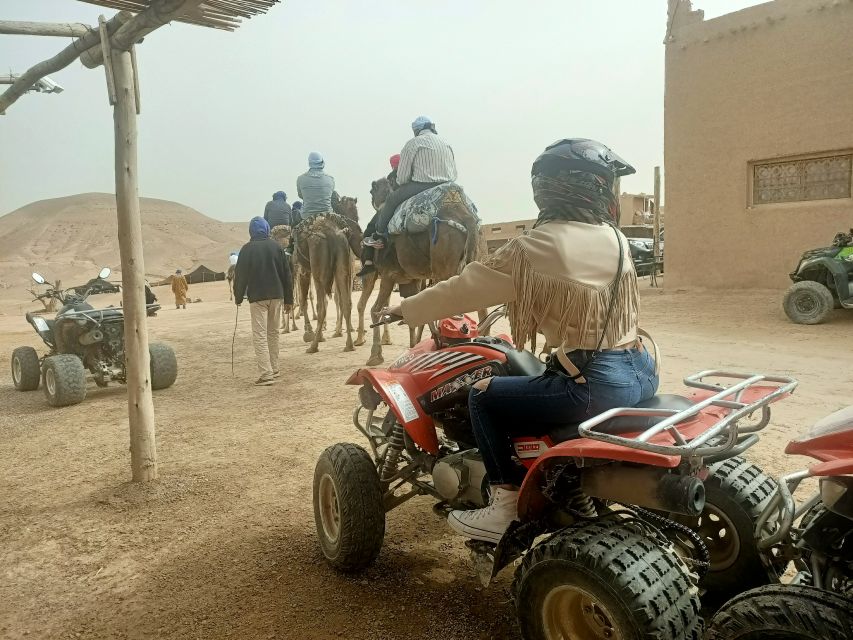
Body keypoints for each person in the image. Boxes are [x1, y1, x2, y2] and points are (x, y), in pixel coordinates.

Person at [383, 139, 656, 543]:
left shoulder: (536, 246)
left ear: (547, 188)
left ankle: (504, 504)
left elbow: (465, 286)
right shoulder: (613, 237)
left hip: (593, 382)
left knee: (481, 395)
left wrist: (406, 308)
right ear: (595, 189)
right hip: (640, 369)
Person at [359, 117, 457, 275]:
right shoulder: (445, 142)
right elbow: (454, 172)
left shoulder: (414, 143)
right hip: (448, 186)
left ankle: (380, 236)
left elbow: (402, 178)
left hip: (422, 185)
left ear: (416, 130)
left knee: (391, 200)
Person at [233, 217, 293, 386]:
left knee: (260, 335)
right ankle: (274, 368)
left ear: (251, 231)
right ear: (267, 229)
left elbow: (240, 277)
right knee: (273, 333)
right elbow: (287, 275)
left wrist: (238, 297)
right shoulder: (276, 247)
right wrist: (289, 299)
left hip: (258, 298)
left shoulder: (246, 249)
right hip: (277, 296)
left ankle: (266, 374)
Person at [357, 154, 401, 277]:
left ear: (392, 165)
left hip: (391, 206)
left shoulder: (390, 178)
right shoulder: (409, 173)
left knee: (370, 229)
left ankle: (369, 262)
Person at [296, 152, 335, 218]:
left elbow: (301, 195)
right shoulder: (330, 179)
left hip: (307, 216)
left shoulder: (300, 179)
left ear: (309, 163)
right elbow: (330, 195)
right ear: (322, 162)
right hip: (327, 215)